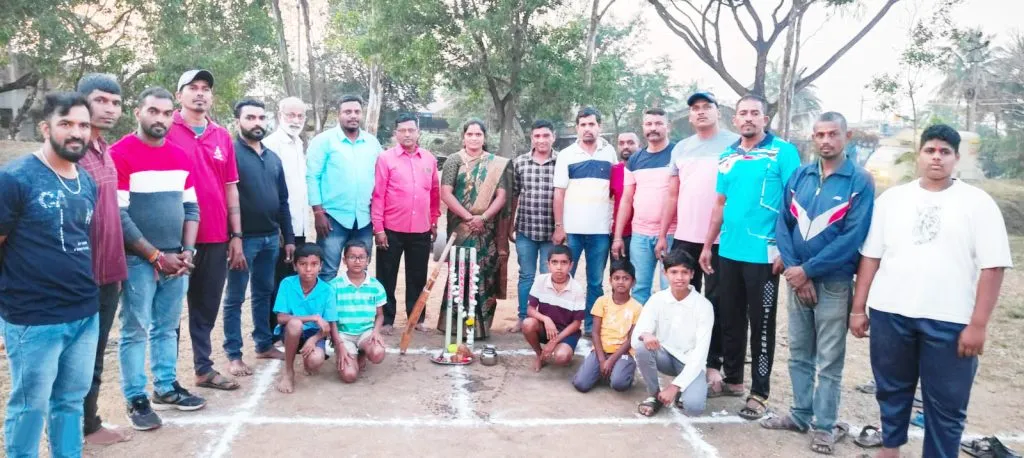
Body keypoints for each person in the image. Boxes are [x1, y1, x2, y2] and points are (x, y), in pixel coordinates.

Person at [851, 125, 1012, 458]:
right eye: (930, 150)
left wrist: (978, 325)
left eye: (944, 152)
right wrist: (858, 307)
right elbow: (871, 256)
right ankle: (890, 449)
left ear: (956, 158)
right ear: (919, 154)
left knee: (947, 404)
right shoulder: (893, 199)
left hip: (950, 319)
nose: (936, 158)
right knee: (892, 391)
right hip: (890, 312)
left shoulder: (977, 203)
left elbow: (993, 267)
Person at [761, 112, 875, 455]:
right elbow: (783, 223)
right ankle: (799, 414)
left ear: (847, 135)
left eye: (833, 134)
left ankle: (824, 426)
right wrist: (796, 271)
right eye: (819, 134)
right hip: (798, 280)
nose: (825, 140)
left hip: (835, 283)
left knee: (829, 359)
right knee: (798, 353)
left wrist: (807, 270)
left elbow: (852, 236)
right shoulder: (801, 175)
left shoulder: (859, 181)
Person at [0, 92, 99, 458]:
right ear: (46, 128)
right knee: (29, 408)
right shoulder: (14, 179)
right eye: (66, 124)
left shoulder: (87, 181)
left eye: (83, 125)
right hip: (33, 319)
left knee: (71, 403)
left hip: (84, 314)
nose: (76, 133)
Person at [699, 94, 801, 420]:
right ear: (735, 120)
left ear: (764, 119)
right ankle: (734, 379)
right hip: (728, 251)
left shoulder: (783, 152)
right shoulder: (727, 156)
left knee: (762, 324)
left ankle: (760, 392)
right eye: (743, 113)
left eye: (755, 113)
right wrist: (706, 245)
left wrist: (787, 250)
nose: (748, 118)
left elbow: (794, 205)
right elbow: (718, 204)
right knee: (730, 318)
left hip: (764, 255)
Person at [111, 87, 207, 430]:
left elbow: (191, 207)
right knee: (135, 329)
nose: (161, 119)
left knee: (167, 328)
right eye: (154, 111)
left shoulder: (181, 155)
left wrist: (187, 250)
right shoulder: (119, 153)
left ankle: (165, 387)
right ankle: (136, 397)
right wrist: (154, 256)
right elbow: (120, 216)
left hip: (177, 259)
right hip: (138, 259)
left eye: (167, 114)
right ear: (139, 112)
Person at [656, 91, 739, 396]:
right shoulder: (681, 149)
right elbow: (673, 195)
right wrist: (663, 234)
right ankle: (680, 360)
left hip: (720, 240)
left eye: (707, 107)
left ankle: (713, 365)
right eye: (695, 109)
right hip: (685, 238)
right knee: (680, 301)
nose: (701, 112)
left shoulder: (735, 144)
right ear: (689, 116)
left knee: (717, 304)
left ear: (719, 112)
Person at [168, 69, 243, 391]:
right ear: (179, 94)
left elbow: (230, 188)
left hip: (214, 236)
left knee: (206, 305)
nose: (200, 93)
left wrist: (236, 235)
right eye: (193, 88)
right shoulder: (164, 129)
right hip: (171, 239)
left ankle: (203, 368)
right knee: (168, 313)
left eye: (206, 89)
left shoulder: (221, 136)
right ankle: (165, 378)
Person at [75, 73, 131, 445]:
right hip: (79, 275)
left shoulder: (103, 151)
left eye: (115, 102)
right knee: (76, 361)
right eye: (101, 100)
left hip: (110, 272)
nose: (109, 108)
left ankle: (89, 424)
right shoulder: (73, 152)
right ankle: (76, 431)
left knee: (95, 357)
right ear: (82, 103)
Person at [222, 99, 294, 377]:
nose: (257, 123)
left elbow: (284, 201)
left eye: (261, 118)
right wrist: (234, 237)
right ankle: (234, 354)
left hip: (269, 239)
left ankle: (263, 343)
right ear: (238, 120)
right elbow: (225, 199)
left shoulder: (273, 158)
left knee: (264, 293)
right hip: (242, 241)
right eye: (250, 117)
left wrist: (287, 237)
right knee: (235, 297)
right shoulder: (230, 154)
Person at [437, 119, 512, 340]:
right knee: (459, 274)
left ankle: (480, 327)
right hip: (460, 228)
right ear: (463, 137)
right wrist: (469, 217)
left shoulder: (494, 163)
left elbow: (502, 196)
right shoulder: (454, 160)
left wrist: (484, 217)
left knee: (483, 274)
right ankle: (454, 324)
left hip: (485, 230)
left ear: (484, 138)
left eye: (478, 134)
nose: (474, 138)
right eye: (470, 134)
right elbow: (446, 193)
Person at [372, 113, 439, 335]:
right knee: (386, 276)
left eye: (411, 130)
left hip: (421, 229)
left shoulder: (429, 159)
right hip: (391, 229)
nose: (407, 134)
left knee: (418, 276)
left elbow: (434, 193)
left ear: (418, 132)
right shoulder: (385, 158)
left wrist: (434, 220)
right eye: (403, 130)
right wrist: (379, 228)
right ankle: (387, 319)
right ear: (396, 133)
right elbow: (378, 194)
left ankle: (416, 318)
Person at [553, 107, 618, 333]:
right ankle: (563, 324)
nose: (587, 129)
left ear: (599, 126)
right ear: (577, 128)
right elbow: (559, 193)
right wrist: (559, 226)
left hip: (600, 231)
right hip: (572, 231)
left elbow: (614, 191)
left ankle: (592, 327)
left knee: (595, 282)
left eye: (592, 124)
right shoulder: (566, 155)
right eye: (583, 125)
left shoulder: (609, 153)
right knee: (564, 279)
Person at [307, 95, 382, 281]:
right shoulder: (324, 141)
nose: (353, 116)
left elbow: (380, 177)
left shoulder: (372, 143)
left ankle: (355, 310)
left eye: (357, 112)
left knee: (360, 271)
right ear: (338, 114)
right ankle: (326, 311)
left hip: (364, 219)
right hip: (332, 219)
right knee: (327, 272)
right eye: (347, 112)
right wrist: (318, 212)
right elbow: (312, 176)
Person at [633, 250, 713, 417]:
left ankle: (683, 390)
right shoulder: (657, 299)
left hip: (690, 362)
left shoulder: (704, 306)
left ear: (692, 274)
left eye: (684, 272)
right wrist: (646, 335)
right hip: (665, 357)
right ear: (665, 273)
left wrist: (674, 387)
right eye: (674, 272)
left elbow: (700, 355)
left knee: (693, 408)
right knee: (642, 346)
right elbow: (638, 334)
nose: (679, 277)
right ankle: (654, 395)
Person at [612, 109, 677, 305]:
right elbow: (626, 199)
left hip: (671, 234)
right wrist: (617, 238)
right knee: (640, 289)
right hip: (639, 235)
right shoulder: (635, 160)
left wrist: (663, 235)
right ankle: (640, 333)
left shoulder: (677, 154)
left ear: (668, 126)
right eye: (649, 124)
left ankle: (668, 335)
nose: (653, 128)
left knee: (670, 288)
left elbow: (675, 195)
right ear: (643, 128)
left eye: (658, 123)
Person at [264, 97, 312, 328]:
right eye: (290, 115)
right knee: (276, 281)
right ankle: (272, 329)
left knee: (291, 279)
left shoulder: (298, 143)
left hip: (299, 225)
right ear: (280, 114)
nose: (295, 120)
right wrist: (281, 228)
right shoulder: (271, 144)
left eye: (300, 116)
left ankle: (288, 328)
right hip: (281, 227)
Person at [508, 119, 559, 333]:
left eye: (546, 136)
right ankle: (523, 317)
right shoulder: (520, 162)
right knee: (526, 276)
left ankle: (546, 320)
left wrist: (561, 227)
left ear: (553, 137)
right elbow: (514, 195)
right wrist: (510, 224)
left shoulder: (562, 162)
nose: (541, 140)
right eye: (537, 136)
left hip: (551, 233)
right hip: (526, 230)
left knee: (547, 277)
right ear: (532, 138)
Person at [273, 244, 337, 394]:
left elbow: (327, 325)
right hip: (291, 331)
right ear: (295, 266)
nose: (308, 269)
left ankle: (308, 362)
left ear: (320, 266)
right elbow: (281, 318)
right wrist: (313, 317)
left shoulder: (327, 290)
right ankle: (288, 371)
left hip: (315, 333)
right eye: (303, 264)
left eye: (314, 264)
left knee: (315, 361)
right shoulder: (287, 283)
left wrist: (313, 339)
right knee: (295, 324)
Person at [572, 259, 642, 393]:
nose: (621, 282)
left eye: (625, 278)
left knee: (619, 384)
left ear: (633, 282)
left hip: (623, 353)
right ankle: (602, 370)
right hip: (601, 350)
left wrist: (610, 361)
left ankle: (623, 371)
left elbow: (630, 340)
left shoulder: (637, 308)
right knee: (581, 384)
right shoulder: (602, 302)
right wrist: (602, 359)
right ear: (610, 281)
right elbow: (595, 333)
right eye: (616, 278)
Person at [329, 241, 387, 383]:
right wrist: (339, 344)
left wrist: (376, 332)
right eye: (352, 257)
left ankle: (362, 351)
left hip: (365, 333)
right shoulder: (334, 286)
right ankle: (347, 354)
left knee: (378, 353)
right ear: (344, 260)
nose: (357, 261)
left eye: (361, 257)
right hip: (343, 335)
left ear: (367, 260)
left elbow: (380, 315)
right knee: (349, 376)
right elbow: (331, 320)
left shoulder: (376, 286)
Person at [523, 245, 586, 372]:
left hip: (566, 332)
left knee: (562, 357)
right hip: (546, 328)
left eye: (564, 262)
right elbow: (530, 309)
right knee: (527, 323)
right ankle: (539, 354)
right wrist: (546, 319)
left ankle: (560, 348)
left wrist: (554, 341)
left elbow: (576, 323)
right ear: (548, 264)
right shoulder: (541, 280)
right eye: (554, 262)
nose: (559, 267)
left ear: (571, 265)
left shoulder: (577, 289)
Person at [609, 132, 639, 263]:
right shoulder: (614, 170)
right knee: (620, 276)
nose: (626, 146)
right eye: (621, 143)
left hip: (644, 233)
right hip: (621, 233)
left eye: (630, 142)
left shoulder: (646, 169)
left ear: (639, 145)